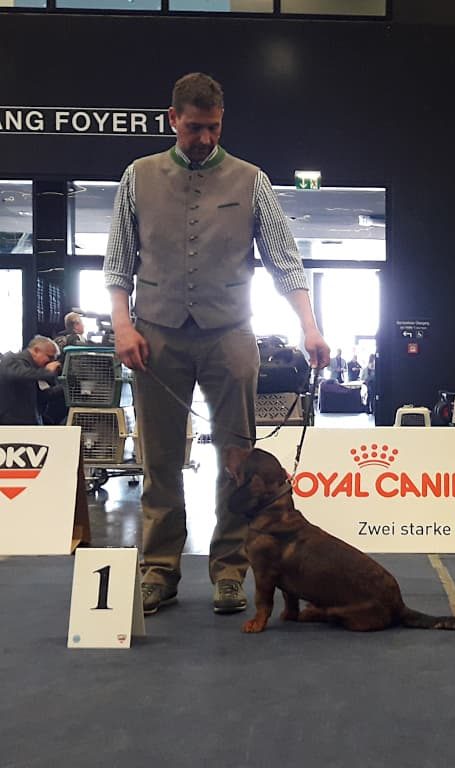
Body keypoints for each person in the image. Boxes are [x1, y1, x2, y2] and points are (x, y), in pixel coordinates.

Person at [103, 72, 330, 617]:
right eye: (195, 128)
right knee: (159, 461)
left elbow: (284, 260)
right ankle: (159, 570)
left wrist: (310, 325)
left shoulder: (252, 179)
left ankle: (231, 572)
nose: (205, 138)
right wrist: (122, 326)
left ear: (222, 121)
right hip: (154, 334)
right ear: (173, 119)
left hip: (231, 333)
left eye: (214, 127)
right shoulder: (137, 176)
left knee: (239, 461)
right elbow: (117, 263)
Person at [0, 336, 61, 425]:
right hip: (12, 424)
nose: (51, 362)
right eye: (50, 357)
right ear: (36, 350)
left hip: (29, 422)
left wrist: (66, 387)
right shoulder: (12, 360)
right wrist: (46, 372)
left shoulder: (34, 371)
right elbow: (19, 375)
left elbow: (43, 396)